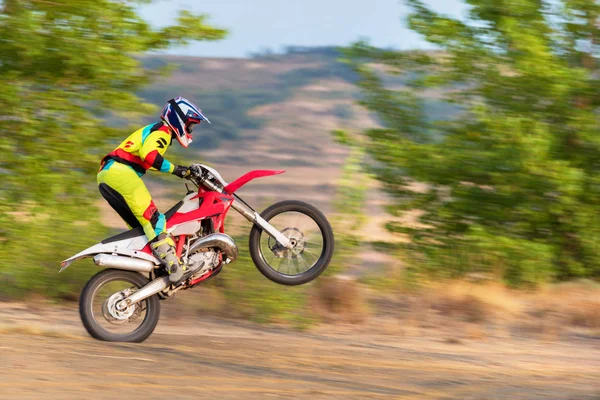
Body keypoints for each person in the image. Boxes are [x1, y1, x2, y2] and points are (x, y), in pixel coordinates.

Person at [97, 97, 210, 284]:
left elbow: (151, 160)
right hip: (119, 173)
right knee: (154, 219)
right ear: (179, 120)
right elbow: (149, 156)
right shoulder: (163, 131)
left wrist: (180, 170)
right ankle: (174, 266)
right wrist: (177, 169)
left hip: (107, 176)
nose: (190, 131)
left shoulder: (155, 131)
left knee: (142, 230)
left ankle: (147, 269)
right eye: (190, 125)